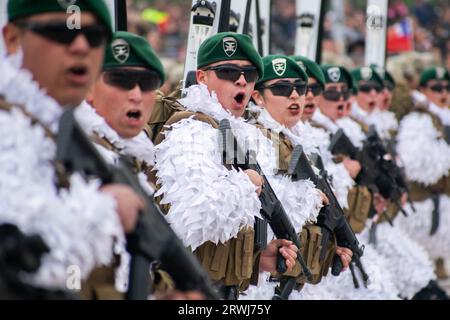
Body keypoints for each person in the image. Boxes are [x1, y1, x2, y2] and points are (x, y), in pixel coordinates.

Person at [0, 0, 142, 293]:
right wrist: (107, 210)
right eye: (61, 32)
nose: (80, 46)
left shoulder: (55, 133)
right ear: (13, 39)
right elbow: (21, 255)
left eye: (94, 37)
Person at [152, 32, 298, 299]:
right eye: (228, 71)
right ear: (202, 77)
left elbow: (218, 244)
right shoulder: (191, 131)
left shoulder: (234, 133)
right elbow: (198, 216)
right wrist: (247, 184)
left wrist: (258, 260)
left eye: (249, 73)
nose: (241, 79)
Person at [240, 54, 352, 300]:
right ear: (258, 96)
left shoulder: (291, 140)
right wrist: (311, 199)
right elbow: (270, 207)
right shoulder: (255, 138)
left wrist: (332, 245)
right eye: (281, 88)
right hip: (258, 286)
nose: (294, 96)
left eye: (299, 89)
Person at [74, 30, 171, 299]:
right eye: (121, 80)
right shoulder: (71, 153)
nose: (136, 95)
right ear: (90, 88)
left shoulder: (133, 158)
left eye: (147, 82)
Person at [395, 67, 450, 291]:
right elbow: (414, 164)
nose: (443, 93)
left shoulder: (444, 117)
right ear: (424, 90)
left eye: (446, 87)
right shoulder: (418, 119)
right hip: (422, 206)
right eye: (436, 88)